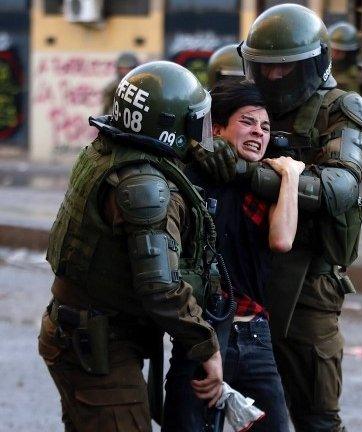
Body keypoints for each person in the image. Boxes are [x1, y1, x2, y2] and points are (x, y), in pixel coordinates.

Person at [195, 4, 362, 431]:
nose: (274, 78)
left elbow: (339, 188)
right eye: (265, 68)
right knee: (229, 407)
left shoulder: (341, 108)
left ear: (313, 63)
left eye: (286, 69)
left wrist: (248, 171)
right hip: (239, 270)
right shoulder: (249, 103)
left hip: (309, 279)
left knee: (316, 412)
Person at [38, 60, 223, 432]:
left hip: (83, 331)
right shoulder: (145, 188)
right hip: (98, 344)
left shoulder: (108, 151)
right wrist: (207, 345)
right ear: (170, 128)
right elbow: (160, 287)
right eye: (193, 123)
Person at [163, 80, 303, 432]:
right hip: (204, 334)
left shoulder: (266, 183)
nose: (258, 132)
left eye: (266, 126)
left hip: (255, 334)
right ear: (218, 128)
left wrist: (290, 176)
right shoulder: (191, 178)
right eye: (248, 122)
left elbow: (282, 239)